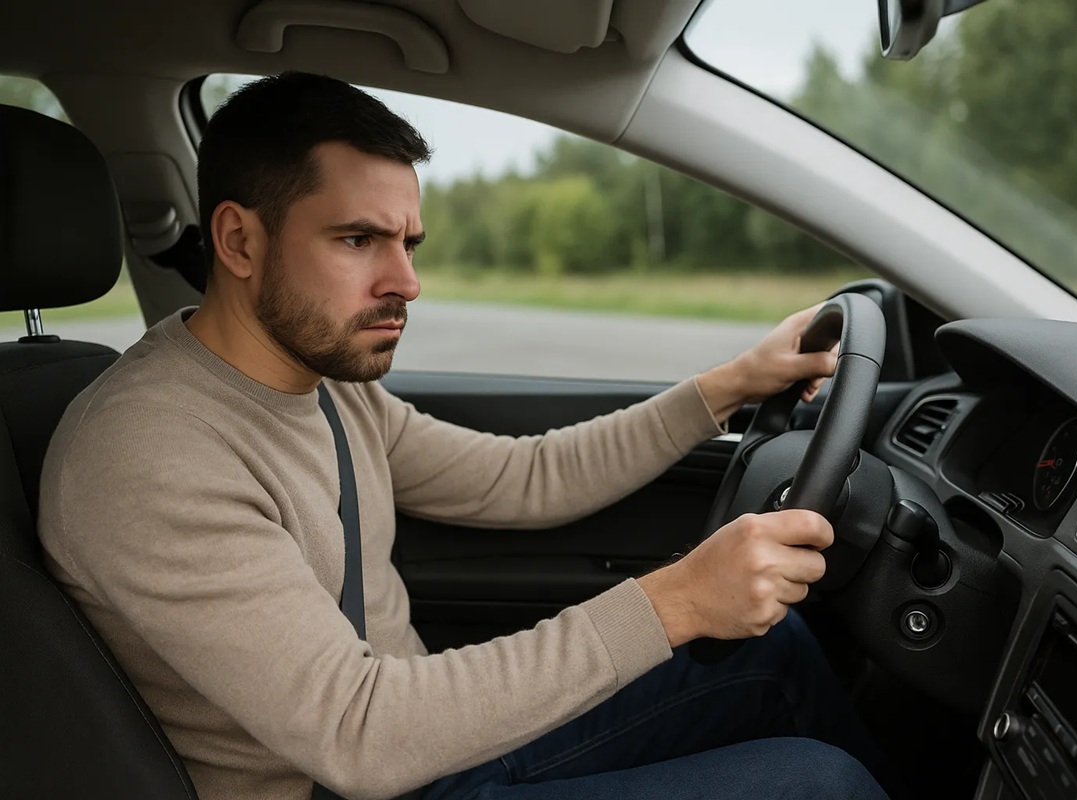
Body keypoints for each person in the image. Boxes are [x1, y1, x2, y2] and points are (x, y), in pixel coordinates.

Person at [38, 72, 890, 800]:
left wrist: (728, 385)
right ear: (238, 241)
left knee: (773, 647)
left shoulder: (327, 383)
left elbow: (521, 481)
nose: (406, 280)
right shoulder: (150, 453)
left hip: (424, 749)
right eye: (358, 239)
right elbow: (358, 730)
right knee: (816, 783)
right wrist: (674, 602)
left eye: (407, 241)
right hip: (354, 774)